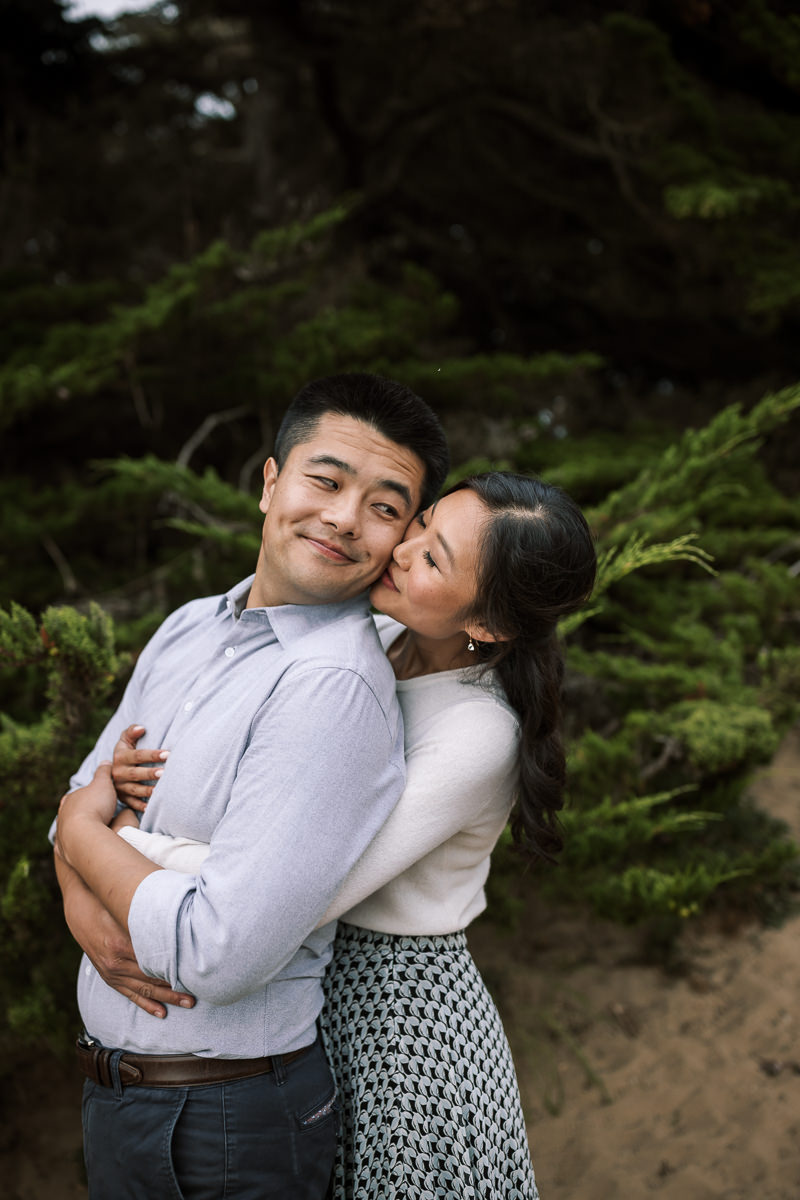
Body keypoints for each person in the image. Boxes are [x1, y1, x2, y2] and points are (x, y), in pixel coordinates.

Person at [85, 471, 598, 1199]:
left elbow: (297, 883)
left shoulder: (477, 732)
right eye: (421, 523)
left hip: (398, 1014)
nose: (402, 549)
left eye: (433, 559)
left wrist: (113, 837)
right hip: (306, 977)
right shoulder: (372, 638)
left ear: (487, 625)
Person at [52, 372, 450, 1200]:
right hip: (117, 1100)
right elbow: (72, 804)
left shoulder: (333, 687)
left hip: (223, 1122)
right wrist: (76, 891)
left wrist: (88, 834)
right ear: (271, 483)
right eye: (326, 481)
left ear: (400, 538)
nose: (344, 518)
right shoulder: (188, 627)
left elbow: (219, 950)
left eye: (383, 506)